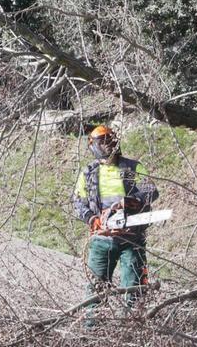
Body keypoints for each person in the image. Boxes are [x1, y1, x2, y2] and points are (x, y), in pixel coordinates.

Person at [72, 125, 159, 313]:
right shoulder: (89, 174)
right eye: (102, 142)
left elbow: (150, 190)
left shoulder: (128, 169)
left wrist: (135, 201)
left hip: (132, 236)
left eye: (110, 140)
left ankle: (133, 328)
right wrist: (92, 219)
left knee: (134, 289)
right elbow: (78, 202)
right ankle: (92, 330)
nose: (108, 146)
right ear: (94, 145)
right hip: (102, 238)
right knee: (96, 291)